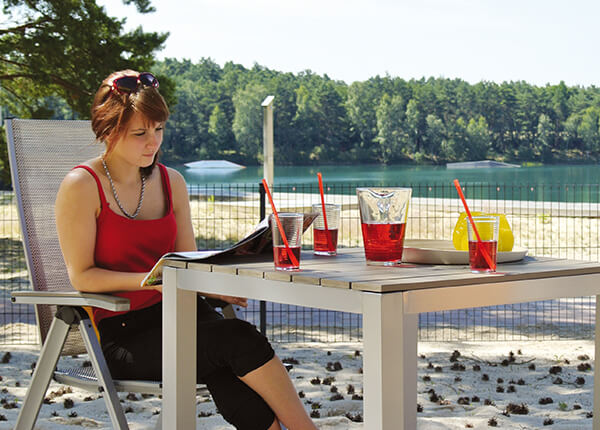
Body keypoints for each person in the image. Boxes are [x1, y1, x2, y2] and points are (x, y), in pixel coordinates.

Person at [55, 70, 317, 430]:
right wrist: (155, 283)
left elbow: (187, 261)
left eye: (159, 129)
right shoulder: (81, 186)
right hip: (126, 334)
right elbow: (81, 276)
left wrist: (216, 283)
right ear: (108, 130)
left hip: (186, 313)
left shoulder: (171, 181)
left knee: (230, 365)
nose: (153, 142)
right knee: (236, 340)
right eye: (140, 133)